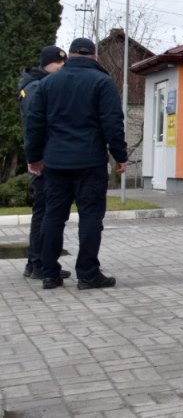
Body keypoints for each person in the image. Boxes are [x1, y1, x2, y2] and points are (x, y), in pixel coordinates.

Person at [24, 37, 127, 290]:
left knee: (53, 216)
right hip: (90, 162)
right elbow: (113, 122)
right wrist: (120, 156)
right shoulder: (102, 82)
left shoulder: (47, 83)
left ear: (69, 55)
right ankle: (88, 274)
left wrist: (34, 158)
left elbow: (34, 123)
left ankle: (49, 273)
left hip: (55, 163)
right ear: (94, 56)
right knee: (90, 217)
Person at [17, 45, 67, 280]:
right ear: (48, 64)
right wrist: (36, 158)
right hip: (44, 160)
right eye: (59, 64)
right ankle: (38, 263)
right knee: (44, 212)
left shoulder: (35, 84)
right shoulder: (35, 87)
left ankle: (36, 262)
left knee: (44, 211)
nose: (62, 68)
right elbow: (36, 125)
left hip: (44, 157)